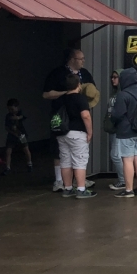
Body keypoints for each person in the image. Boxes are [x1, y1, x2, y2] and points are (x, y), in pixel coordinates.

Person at [43, 48, 96, 193]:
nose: (83, 61)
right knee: (65, 154)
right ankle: (63, 182)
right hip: (62, 119)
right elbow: (46, 94)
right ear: (72, 59)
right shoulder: (58, 73)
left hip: (76, 119)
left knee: (67, 155)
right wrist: (68, 93)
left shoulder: (85, 74)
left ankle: (71, 185)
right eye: (81, 59)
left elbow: (93, 91)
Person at [53, 73, 95, 198]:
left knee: (65, 161)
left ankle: (67, 188)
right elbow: (86, 116)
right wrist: (90, 132)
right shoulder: (80, 98)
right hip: (77, 133)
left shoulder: (60, 99)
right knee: (79, 161)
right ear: (79, 85)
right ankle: (81, 190)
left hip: (62, 133)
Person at [111, 68, 137, 198]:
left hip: (126, 131)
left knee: (127, 160)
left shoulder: (123, 95)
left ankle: (128, 190)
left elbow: (117, 114)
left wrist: (113, 122)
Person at [105, 70, 127, 191]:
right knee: (118, 154)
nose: (113, 80)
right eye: (111, 77)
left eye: (116, 77)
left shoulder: (122, 94)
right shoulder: (114, 93)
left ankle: (123, 180)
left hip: (119, 128)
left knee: (116, 155)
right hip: (113, 128)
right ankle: (123, 179)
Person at [2, 98, 32, 175]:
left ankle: (29, 164)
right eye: (9, 109)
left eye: (12, 109)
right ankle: (7, 168)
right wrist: (12, 132)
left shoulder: (20, 113)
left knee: (26, 149)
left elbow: (24, 116)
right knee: (8, 151)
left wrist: (18, 118)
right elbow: (6, 127)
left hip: (21, 135)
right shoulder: (8, 116)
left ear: (17, 107)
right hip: (11, 135)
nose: (11, 111)